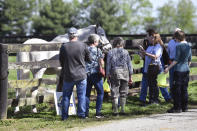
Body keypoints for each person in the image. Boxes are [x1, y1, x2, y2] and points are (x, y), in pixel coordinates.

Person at [59, 27, 91, 120]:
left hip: (68, 75)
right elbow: (89, 59)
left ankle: (64, 116)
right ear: (77, 35)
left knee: (66, 97)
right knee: (81, 96)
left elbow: (61, 61)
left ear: (68, 36)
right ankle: (81, 115)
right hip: (81, 75)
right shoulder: (83, 45)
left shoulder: (64, 47)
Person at [139, 29, 171, 106]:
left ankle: (165, 99)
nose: (146, 38)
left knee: (157, 84)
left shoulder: (158, 46)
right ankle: (145, 100)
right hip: (147, 68)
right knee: (147, 84)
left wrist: (145, 53)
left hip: (155, 68)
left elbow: (156, 56)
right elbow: (146, 57)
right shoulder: (149, 46)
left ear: (152, 37)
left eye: (147, 36)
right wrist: (142, 53)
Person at [165, 31, 192, 113]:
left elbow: (176, 60)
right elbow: (189, 59)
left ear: (177, 38)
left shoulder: (179, 46)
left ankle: (177, 107)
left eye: (175, 38)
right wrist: (187, 67)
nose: (175, 40)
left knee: (177, 89)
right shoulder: (188, 45)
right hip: (186, 70)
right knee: (184, 89)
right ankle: (185, 107)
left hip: (178, 70)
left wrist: (168, 68)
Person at [106, 37, 133, 116]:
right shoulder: (126, 52)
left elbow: (108, 65)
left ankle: (115, 111)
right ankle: (123, 110)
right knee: (124, 91)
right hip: (125, 71)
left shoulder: (110, 52)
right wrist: (131, 76)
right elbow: (129, 64)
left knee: (114, 90)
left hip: (115, 72)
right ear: (122, 43)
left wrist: (107, 75)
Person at [85, 34, 105, 118]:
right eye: (98, 41)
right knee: (100, 92)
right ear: (95, 42)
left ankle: (85, 113)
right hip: (96, 74)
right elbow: (101, 63)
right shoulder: (98, 50)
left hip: (86, 74)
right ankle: (98, 112)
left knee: (86, 94)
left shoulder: (84, 50)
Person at [167, 28, 181, 99]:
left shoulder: (182, 42)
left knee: (178, 79)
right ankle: (171, 96)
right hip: (171, 62)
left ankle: (178, 95)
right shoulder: (170, 42)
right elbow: (168, 52)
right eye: (175, 32)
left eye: (178, 32)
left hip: (179, 63)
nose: (176, 34)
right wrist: (169, 60)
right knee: (171, 79)